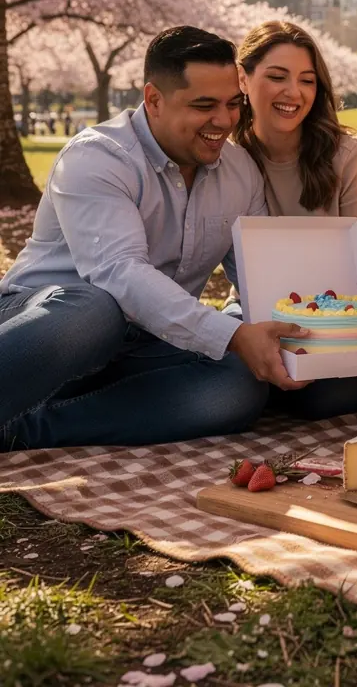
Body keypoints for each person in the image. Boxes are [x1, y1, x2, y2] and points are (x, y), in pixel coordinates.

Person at [0, 26, 309, 450]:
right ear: (154, 100)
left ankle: (24, 429)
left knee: (236, 383)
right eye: (204, 105)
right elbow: (121, 274)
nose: (224, 121)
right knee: (97, 309)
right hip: (52, 327)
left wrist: (341, 334)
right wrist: (233, 335)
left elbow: (264, 280)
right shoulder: (97, 157)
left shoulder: (240, 172)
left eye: (232, 104)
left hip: (147, 340)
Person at [231, 19, 357, 419]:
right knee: (235, 384)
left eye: (307, 80)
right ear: (243, 79)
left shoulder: (348, 155)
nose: (294, 93)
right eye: (277, 77)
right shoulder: (227, 159)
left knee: (323, 399)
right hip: (255, 317)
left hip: (339, 324)